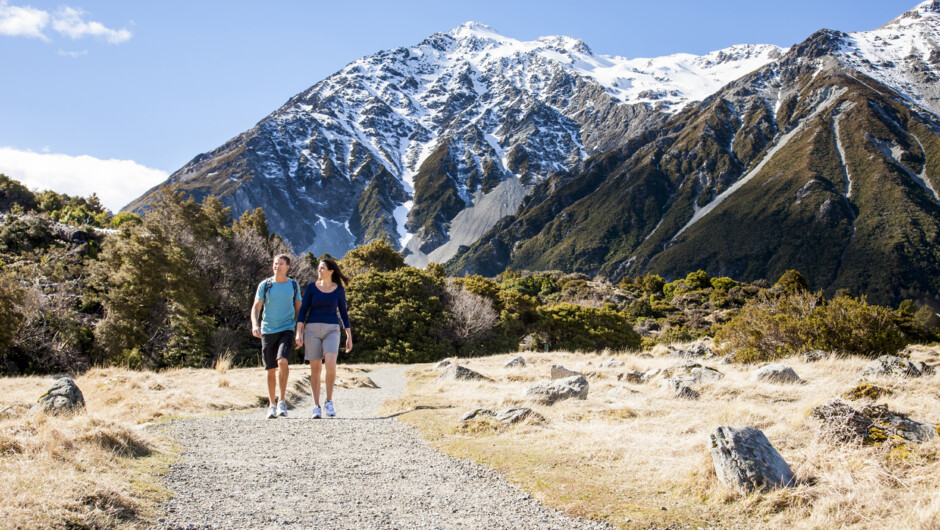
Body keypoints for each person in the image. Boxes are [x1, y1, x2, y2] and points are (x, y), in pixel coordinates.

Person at [295, 258, 352, 418]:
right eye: (319, 268)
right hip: (312, 330)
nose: (319, 270)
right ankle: (316, 406)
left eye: (322, 268)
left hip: (332, 330)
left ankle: (329, 401)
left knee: (331, 363)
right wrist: (299, 332)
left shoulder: (339, 289)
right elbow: (303, 310)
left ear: (331, 271)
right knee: (315, 369)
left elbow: (343, 313)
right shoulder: (312, 287)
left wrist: (348, 335)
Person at [251, 254, 302, 419]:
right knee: (271, 369)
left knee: (283, 361)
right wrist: (255, 325)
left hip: (286, 329)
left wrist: (299, 332)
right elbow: (256, 307)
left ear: (287, 267)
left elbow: (299, 310)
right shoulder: (264, 285)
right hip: (268, 330)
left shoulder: (293, 286)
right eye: (275, 264)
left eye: (280, 264)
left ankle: (282, 400)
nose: (277, 266)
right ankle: (271, 404)